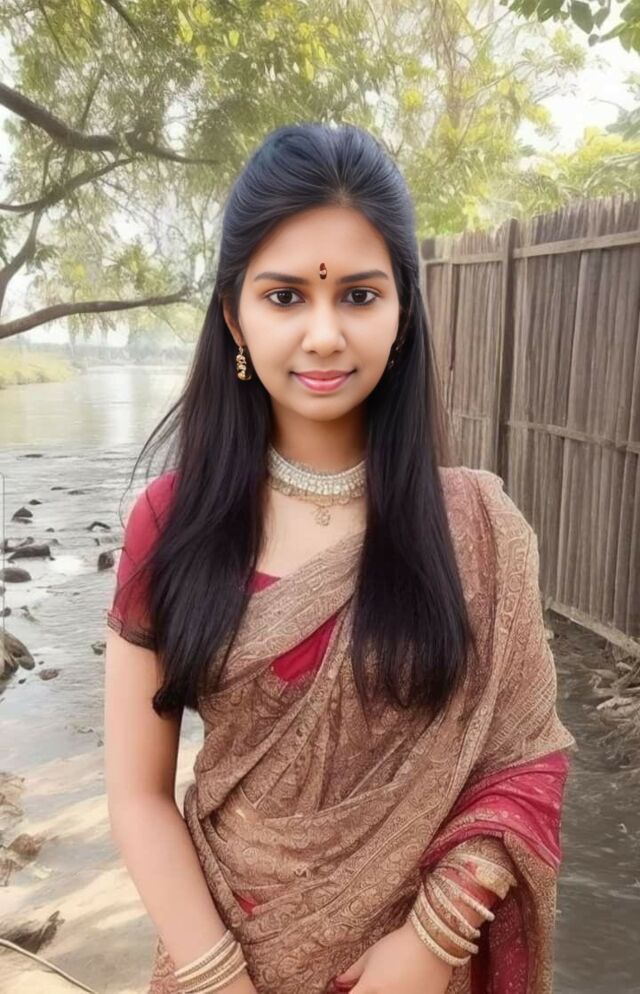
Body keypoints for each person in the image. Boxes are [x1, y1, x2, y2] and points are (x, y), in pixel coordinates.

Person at [104, 122, 577, 994]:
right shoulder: (171, 525)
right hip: (219, 955)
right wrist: (219, 978)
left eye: (359, 295)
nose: (324, 334)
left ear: (403, 314)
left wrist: (434, 939)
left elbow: (525, 760)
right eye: (286, 296)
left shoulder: (479, 527)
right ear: (234, 317)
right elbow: (138, 794)